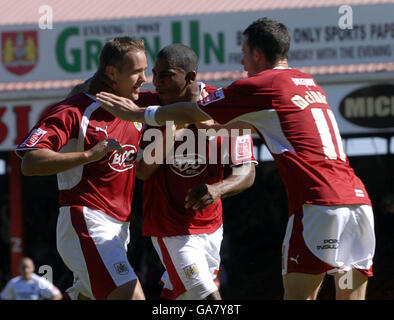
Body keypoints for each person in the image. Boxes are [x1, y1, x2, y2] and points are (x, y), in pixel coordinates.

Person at [96, 18, 376, 300]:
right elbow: (214, 129)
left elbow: (200, 117)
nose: (242, 64)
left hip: (317, 203)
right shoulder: (308, 83)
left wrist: (137, 115)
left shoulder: (256, 88)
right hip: (358, 202)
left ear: (257, 54)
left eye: (244, 54)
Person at [15, 36, 148, 300]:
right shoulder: (74, 110)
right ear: (111, 72)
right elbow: (30, 161)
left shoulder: (134, 109)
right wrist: (88, 154)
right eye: (136, 72)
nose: (144, 79)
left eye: (145, 71)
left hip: (118, 230)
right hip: (86, 221)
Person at [135, 44, 257, 300]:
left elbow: (247, 172)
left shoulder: (224, 106)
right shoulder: (150, 108)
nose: (156, 82)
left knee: (182, 297)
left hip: (211, 227)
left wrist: (218, 188)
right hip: (169, 227)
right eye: (154, 74)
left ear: (190, 76)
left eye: (166, 75)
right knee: (208, 297)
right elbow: (143, 172)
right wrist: (174, 126)